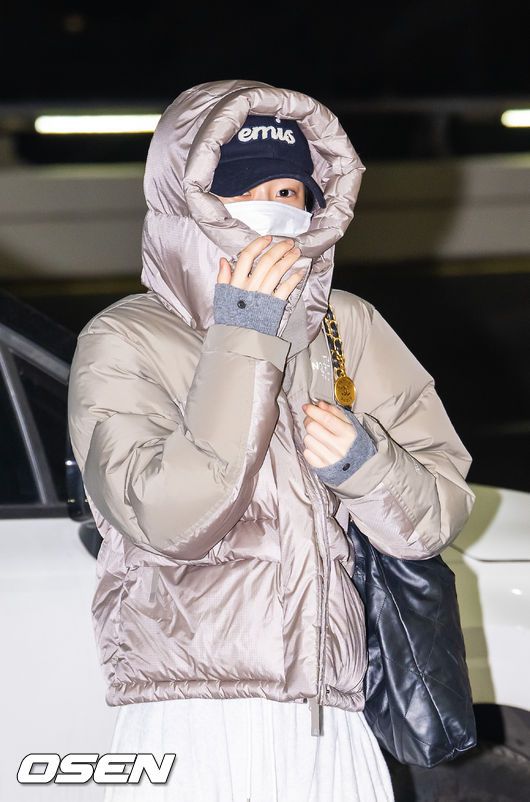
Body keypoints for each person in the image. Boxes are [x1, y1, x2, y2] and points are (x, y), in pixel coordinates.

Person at [67, 79, 475, 801]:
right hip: (190, 712)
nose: (274, 209)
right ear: (190, 200)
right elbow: (169, 518)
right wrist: (246, 329)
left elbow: (435, 516)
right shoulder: (126, 337)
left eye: (291, 191)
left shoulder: (348, 326)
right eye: (246, 189)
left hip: (331, 713)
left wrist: (365, 465)